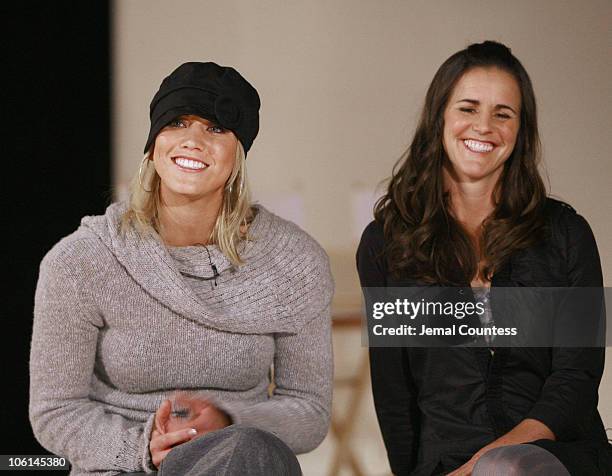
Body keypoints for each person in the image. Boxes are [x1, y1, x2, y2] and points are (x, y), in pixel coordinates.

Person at [30, 62, 334, 475]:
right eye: (177, 122)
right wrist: (147, 447)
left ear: (238, 152)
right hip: (123, 467)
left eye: (215, 128)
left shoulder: (295, 261)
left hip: (246, 463)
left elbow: (310, 409)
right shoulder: (82, 261)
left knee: (246, 451)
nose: (193, 141)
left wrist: (228, 424)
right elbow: (55, 410)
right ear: (154, 142)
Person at [357, 41, 612, 475]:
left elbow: (578, 378)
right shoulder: (386, 243)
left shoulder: (567, 234)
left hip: (556, 460)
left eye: (503, 113)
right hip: (444, 462)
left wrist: (485, 465)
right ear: (440, 117)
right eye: (468, 108)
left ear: (520, 131)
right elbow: (394, 392)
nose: (484, 127)